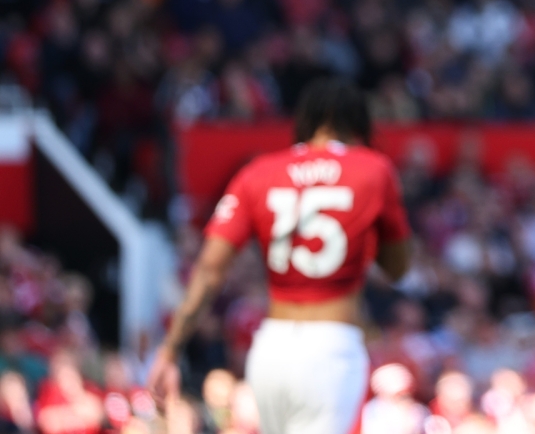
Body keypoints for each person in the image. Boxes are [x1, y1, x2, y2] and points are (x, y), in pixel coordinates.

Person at [147, 78, 413, 434]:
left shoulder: (258, 172)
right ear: (358, 125)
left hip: (271, 347)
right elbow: (398, 268)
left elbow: (209, 270)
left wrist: (169, 350)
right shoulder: (372, 169)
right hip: (331, 348)